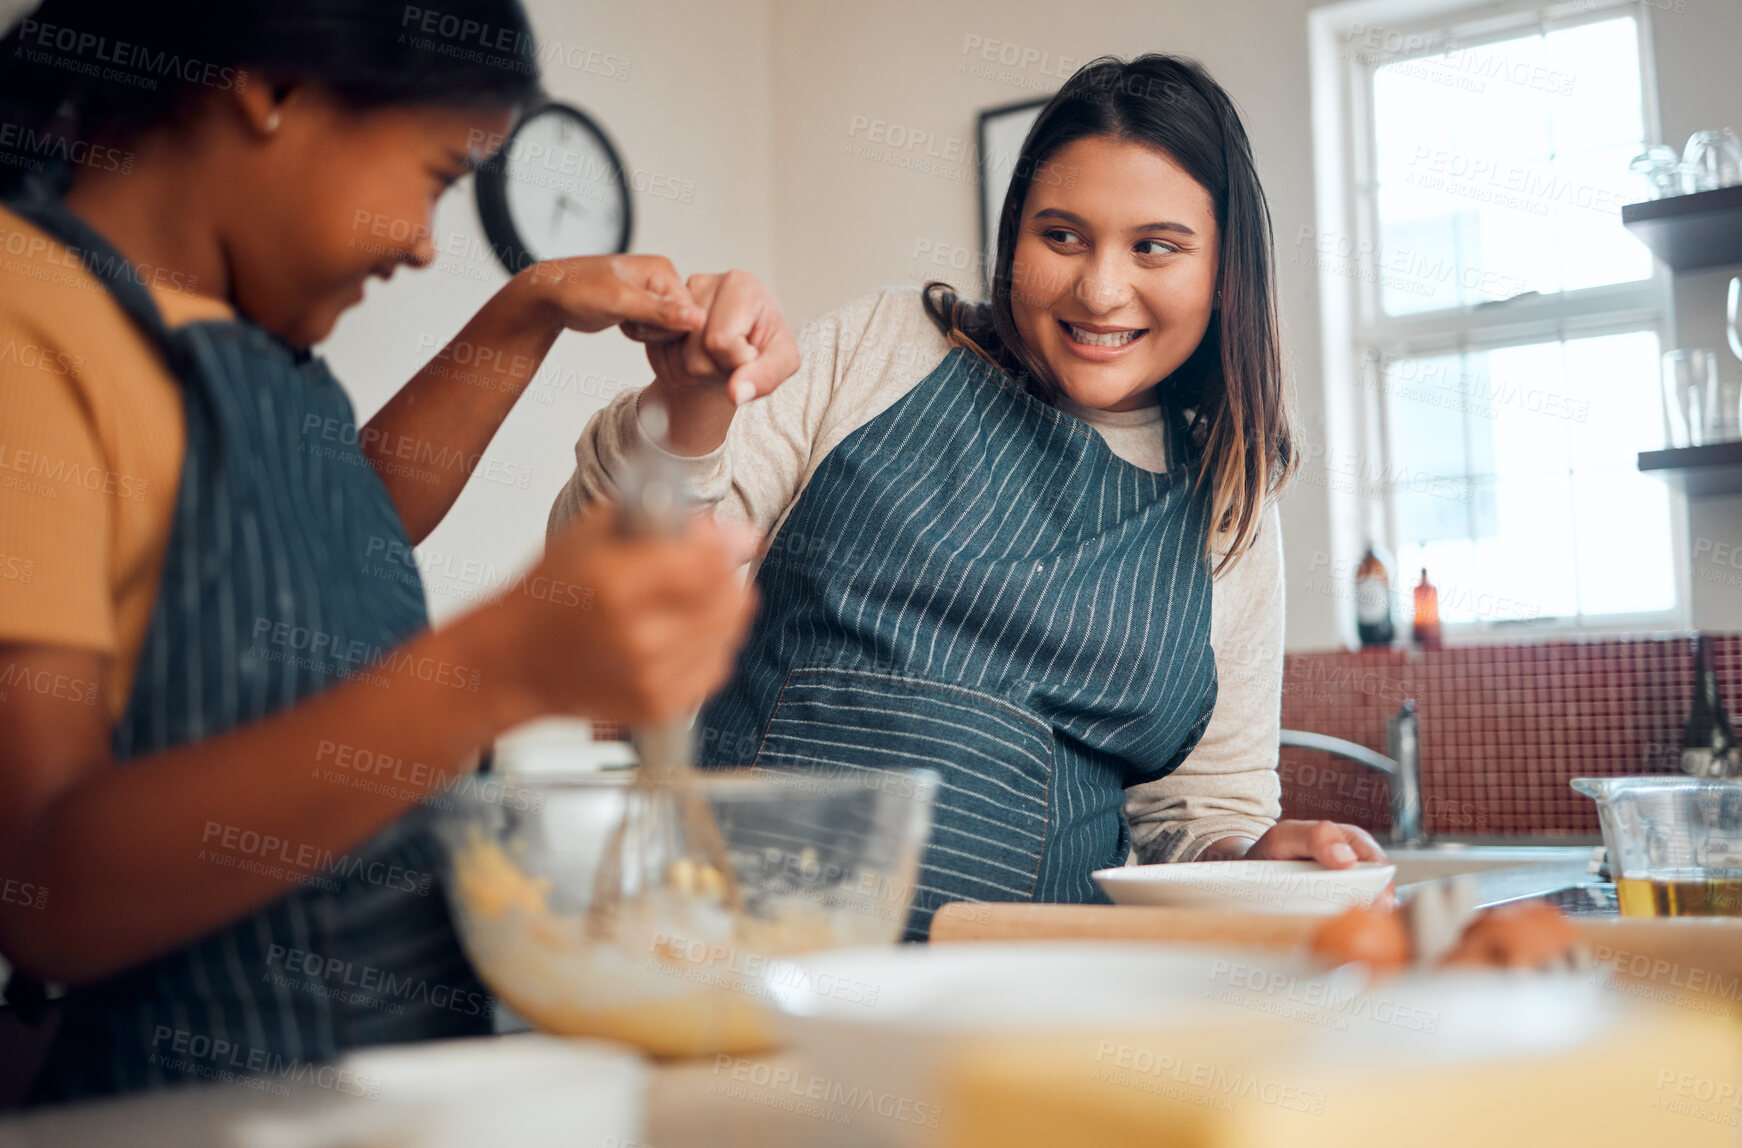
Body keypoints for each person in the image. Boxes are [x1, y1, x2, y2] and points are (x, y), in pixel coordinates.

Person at [0, 0, 794, 1102]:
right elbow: (47, 884)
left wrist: (533, 306)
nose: (426, 243)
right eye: (435, 176)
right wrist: (498, 667)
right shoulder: (28, 324)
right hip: (183, 1103)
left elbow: (347, 526)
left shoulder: (255, 346)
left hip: (380, 1080)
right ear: (273, 88)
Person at [552, 54, 1385, 940]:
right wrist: (690, 407)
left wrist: (1248, 865)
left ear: (1225, 271)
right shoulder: (885, 348)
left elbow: (1201, 817)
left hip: (1023, 1019)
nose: (1100, 289)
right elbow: (600, 577)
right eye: (1060, 235)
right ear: (1012, 236)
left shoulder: (1229, 505)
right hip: (730, 967)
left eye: (1155, 247)